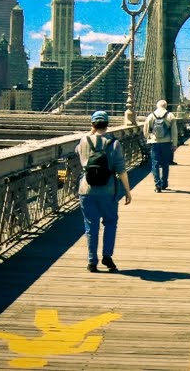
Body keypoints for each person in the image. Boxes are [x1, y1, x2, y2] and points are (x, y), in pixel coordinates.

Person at [76, 110, 132, 272]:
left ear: (93, 125)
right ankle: (107, 256)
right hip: (108, 191)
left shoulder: (83, 141)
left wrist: (91, 133)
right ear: (108, 125)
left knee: (90, 225)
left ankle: (92, 261)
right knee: (110, 223)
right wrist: (127, 191)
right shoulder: (114, 143)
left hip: (86, 190)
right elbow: (121, 169)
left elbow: (76, 152)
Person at [144, 99, 178, 192]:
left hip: (154, 143)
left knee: (155, 163)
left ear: (157, 106)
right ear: (165, 106)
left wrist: (149, 138)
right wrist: (174, 144)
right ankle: (164, 183)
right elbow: (174, 132)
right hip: (166, 143)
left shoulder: (151, 116)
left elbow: (146, 130)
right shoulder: (170, 115)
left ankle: (157, 185)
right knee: (165, 164)